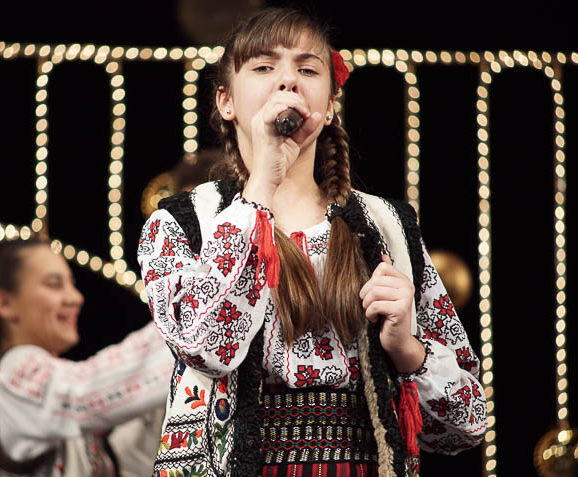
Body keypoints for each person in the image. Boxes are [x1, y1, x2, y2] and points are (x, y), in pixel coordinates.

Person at [137, 8, 486, 477]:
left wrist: (407, 348)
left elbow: (467, 424)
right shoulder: (182, 224)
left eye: (307, 69)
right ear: (226, 101)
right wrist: (262, 182)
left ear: (330, 104)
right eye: (264, 67)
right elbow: (208, 348)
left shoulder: (387, 226)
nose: (288, 81)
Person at [0, 235, 174, 476]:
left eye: (71, 285)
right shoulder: (13, 374)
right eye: (54, 284)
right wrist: (177, 323)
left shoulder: (56, 407)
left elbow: (129, 458)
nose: (75, 298)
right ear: (4, 303)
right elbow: (82, 394)